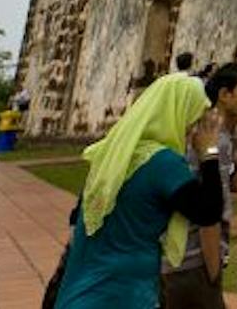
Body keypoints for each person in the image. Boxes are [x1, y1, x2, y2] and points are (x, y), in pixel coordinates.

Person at [51, 75, 227, 309]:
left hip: (80, 291)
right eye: (194, 121)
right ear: (177, 114)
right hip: (124, 294)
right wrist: (209, 153)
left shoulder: (112, 153)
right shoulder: (163, 163)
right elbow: (208, 212)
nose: (193, 132)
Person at [161, 62, 237, 309]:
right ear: (225, 95)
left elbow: (234, 183)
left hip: (188, 259)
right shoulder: (213, 138)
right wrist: (213, 267)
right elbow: (210, 209)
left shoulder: (221, 135)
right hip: (194, 258)